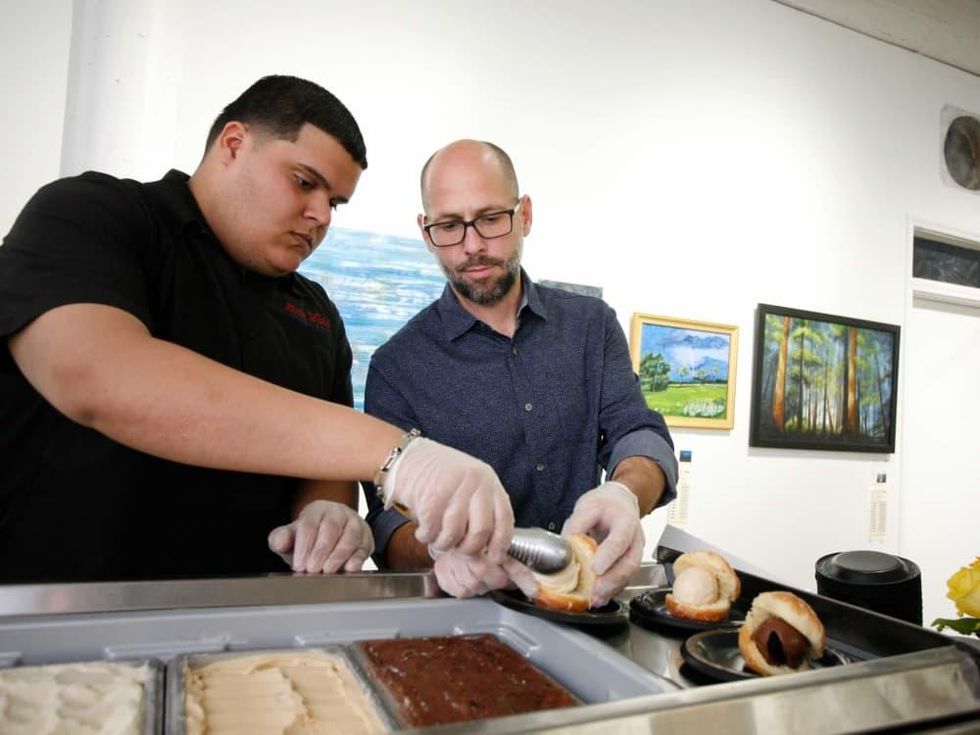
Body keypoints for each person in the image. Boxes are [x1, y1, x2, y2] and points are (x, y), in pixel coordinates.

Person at [0, 78, 513, 583]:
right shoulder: (92, 215)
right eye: (304, 182)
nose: (318, 216)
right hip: (57, 613)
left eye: (333, 203)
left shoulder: (317, 314)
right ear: (234, 144)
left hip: (248, 630)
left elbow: (326, 468)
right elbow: (97, 375)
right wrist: (398, 456)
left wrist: (328, 514)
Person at [364, 139, 678, 606]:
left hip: (585, 606)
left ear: (525, 214)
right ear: (426, 232)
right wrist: (436, 552)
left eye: (491, 219)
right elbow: (390, 527)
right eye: (449, 225)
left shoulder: (591, 326)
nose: (472, 246)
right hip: (465, 624)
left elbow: (637, 432)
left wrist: (626, 496)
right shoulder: (396, 366)